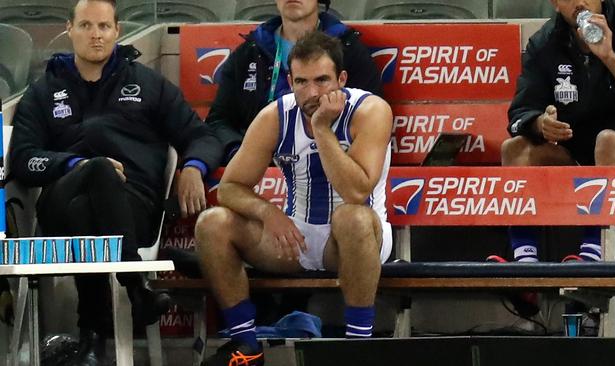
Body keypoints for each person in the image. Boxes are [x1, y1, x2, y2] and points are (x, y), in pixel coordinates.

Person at [9, 1, 222, 364]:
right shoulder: (44, 91)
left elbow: (201, 136)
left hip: (133, 206)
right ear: (69, 29)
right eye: (87, 26)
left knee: (93, 203)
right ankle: (135, 287)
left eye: (104, 27)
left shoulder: (147, 84)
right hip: (62, 202)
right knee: (97, 171)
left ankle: (91, 338)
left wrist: (193, 167)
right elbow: (24, 159)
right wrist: (76, 164)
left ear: (117, 31)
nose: (96, 35)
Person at [195, 31, 393, 366]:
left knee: (351, 216)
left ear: (342, 79)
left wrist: (322, 130)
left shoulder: (370, 110)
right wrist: (267, 212)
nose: (312, 92)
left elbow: (356, 192)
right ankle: (247, 346)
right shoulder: (275, 116)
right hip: (297, 238)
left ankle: (358, 349)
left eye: (322, 80)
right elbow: (230, 188)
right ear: (290, 80)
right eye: (301, 82)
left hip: (357, 241)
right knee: (212, 223)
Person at [491, 0, 615, 316]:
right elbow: (520, 112)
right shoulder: (546, 42)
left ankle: (593, 255)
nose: (579, 0)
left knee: (608, 142)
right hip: (580, 157)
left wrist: (611, 58)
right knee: (515, 148)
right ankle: (526, 266)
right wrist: (540, 123)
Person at [205, 0, 382, 166]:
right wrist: (242, 153)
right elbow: (219, 120)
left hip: (329, 167)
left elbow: (371, 120)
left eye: (321, 79)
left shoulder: (349, 49)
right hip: (260, 172)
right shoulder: (249, 51)